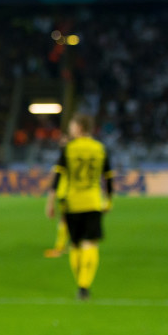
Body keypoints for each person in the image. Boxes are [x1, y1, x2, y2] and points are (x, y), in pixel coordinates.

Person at [45, 114, 113, 300]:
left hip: (72, 202)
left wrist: (50, 202)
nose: (70, 129)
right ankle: (84, 285)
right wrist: (109, 200)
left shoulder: (69, 149)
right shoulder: (100, 148)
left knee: (74, 245)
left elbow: (57, 178)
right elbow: (108, 177)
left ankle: (79, 282)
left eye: (72, 126)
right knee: (90, 243)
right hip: (92, 201)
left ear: (80, 127)